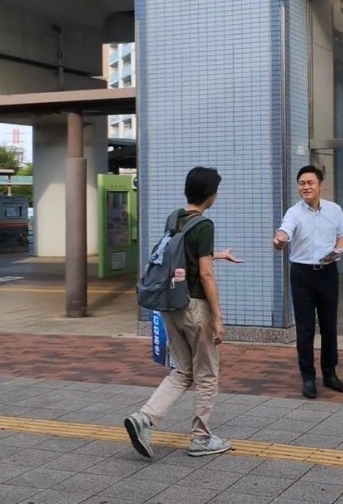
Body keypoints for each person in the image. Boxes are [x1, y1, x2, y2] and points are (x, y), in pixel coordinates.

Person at [125, 166, 243, 458]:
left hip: (170, 305)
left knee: (182, 370)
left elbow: (181, 256)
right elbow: (205, 275)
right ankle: (201, 438)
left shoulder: (175, 218)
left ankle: (144, 418)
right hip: (194, 307)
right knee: (206, 373)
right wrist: (218, 317)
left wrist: (218, 254)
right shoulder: (204, 225)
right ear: (211, 195)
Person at [273, 165, 343, 399]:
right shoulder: (294, 212)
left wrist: (339, 249)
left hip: (328, 272)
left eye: (310, 183)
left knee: (329, 326)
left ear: (320, 185)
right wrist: (280, 240)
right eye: (302, 183)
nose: (305, 187)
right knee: (305, 329)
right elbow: (285, 230)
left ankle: (330, 373)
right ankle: (308, 378)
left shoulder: (334, 210)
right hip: (302, 274)